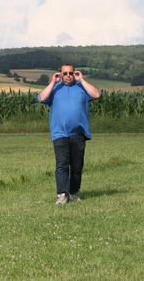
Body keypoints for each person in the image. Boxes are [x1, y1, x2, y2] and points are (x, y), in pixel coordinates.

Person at [37, 64, 101, 204]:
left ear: (74, 73)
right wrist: (53, 82)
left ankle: (73, 192)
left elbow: (96, 94)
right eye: (65, 73)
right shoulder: (55, 89)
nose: (68, 76)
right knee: (62, 164)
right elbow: (41, 98)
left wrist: (81, 80)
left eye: (70, 73)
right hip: (59, 133)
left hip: (78, 133)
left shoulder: (81, 88)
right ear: (60, 74)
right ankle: (62, 194)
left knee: (77, 166)